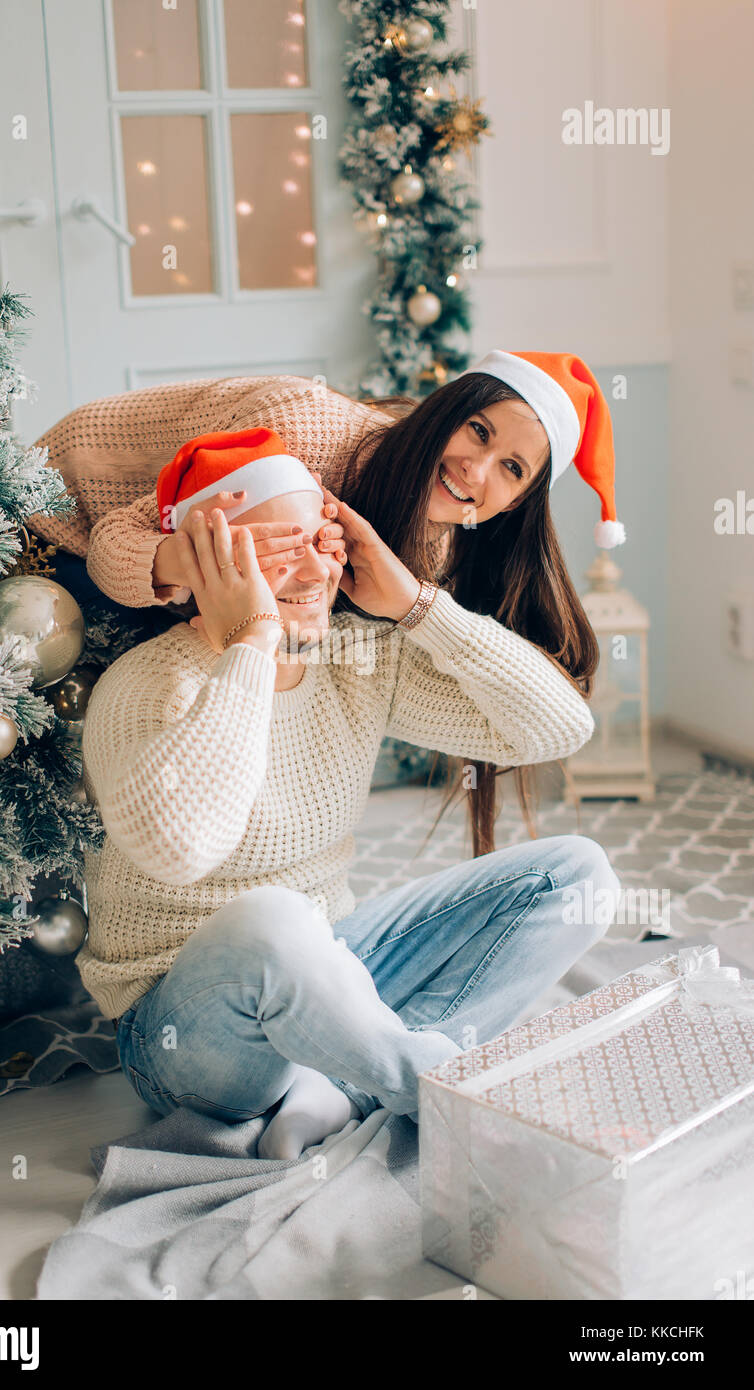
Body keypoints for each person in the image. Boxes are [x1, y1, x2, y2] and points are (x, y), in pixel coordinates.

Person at [78, 429, 619, 1161]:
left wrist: (417, 605)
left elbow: (558, 725)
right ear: (212, 563)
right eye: (276, 550)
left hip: (334, 966)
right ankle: (462, 1102)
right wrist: (251, 644)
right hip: (190, 1035)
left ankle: (344, 1088)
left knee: (576, 874)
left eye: (321, 541)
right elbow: (180, 851)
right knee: (272, 920)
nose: (310, 570)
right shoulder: (144, 687)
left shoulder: (354, 658)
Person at [71, 351, 625, 855]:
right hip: (62, 511)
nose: (475, 470)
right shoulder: (307, 430)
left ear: (516, 504)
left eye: (512, 468)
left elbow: (557, 723)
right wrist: (190, 558)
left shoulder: (433, 544)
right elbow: (116, 541)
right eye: (478, 431)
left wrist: (413, 602)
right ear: (443, 410)